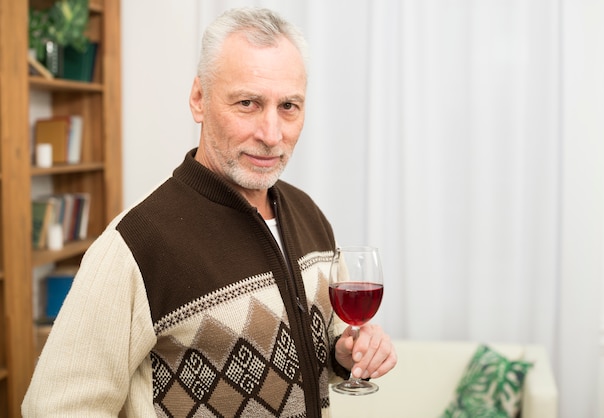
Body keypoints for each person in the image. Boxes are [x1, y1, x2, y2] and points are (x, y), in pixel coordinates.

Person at [22, 7, 396, 417]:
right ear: (199, 99)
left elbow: (315, 348)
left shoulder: (310, 215)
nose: (272, 135)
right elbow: (54, 408)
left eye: (288, 106)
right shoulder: (135, 243)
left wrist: (345, 354)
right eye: (248, 103)